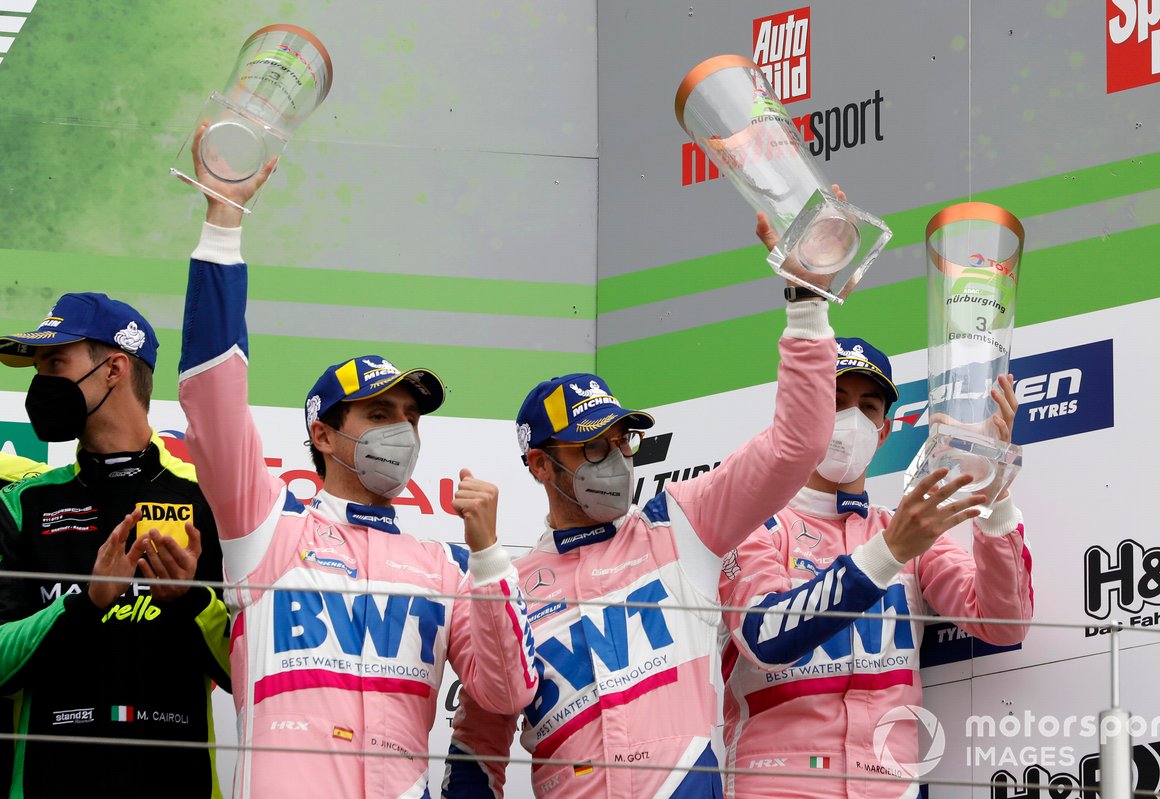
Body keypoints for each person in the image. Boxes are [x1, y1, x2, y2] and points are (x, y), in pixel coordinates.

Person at [176, 133, 537, 799]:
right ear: (324, 433)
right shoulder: (266, 529)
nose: (400, 428)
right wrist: (223, 223)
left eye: (409, 414)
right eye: (377, 413)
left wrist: (487, 555)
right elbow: (210, 398)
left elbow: (507, 690)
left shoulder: (445, 568)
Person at [444, 257, 838, 797]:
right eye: (592, 447)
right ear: (538, 464)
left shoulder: (681, 522)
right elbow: (475, 748)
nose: (616, 460)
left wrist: (807, 304)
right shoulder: (505, 587)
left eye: (623, 441)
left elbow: (796, 446)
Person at [718, 334, 1034, 799]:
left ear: (884, 431)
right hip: (777, 784)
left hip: (892, 785)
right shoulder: (755, 526)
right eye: (835, 400)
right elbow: (765, 637)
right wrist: (887, 553)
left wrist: (993, 486)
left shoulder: (905, 527)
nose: (852, 418)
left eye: (868, 407)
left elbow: (1005, 624)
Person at [0, 294, 229, 797]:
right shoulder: (23, 503)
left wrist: (190, 599)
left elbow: (254, 669)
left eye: (55, 362)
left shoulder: (211, 497)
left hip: (178, 783)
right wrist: (86, 600)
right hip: (46, 781)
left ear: (114, 369)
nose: (40, 384)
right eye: (37, 368)